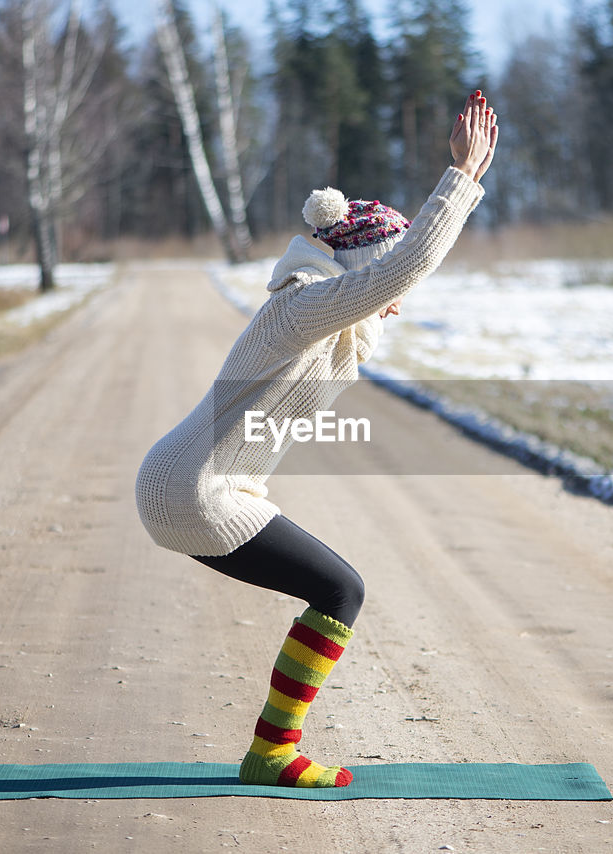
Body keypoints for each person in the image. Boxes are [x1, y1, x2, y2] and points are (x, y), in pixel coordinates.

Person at [135, 91, 499, 788]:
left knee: (334, 589)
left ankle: (270, 750)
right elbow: (403, 268)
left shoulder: (324, 322)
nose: (397, 304)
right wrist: (462, 176)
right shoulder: (301, 309)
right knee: (341, 590)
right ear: (357, 268)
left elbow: (392, 283)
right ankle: (271, 753)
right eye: (384, 285)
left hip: (188, 483)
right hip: (196, 489)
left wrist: (470, 184)